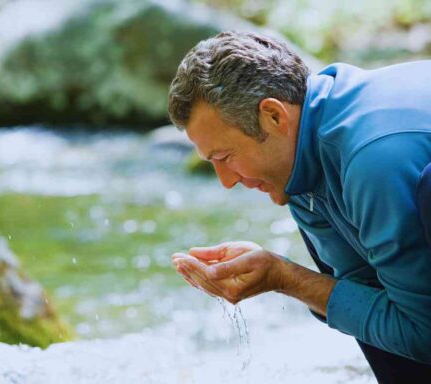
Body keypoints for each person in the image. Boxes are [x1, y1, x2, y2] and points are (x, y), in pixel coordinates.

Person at [168, 31, 431, 383]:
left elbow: (424, 334)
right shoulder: (301, 164)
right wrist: (281, 276)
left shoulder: (371, 158)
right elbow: (363, 299)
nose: (226, 181)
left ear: (273, 116)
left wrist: (284, 277)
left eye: (225, 157)